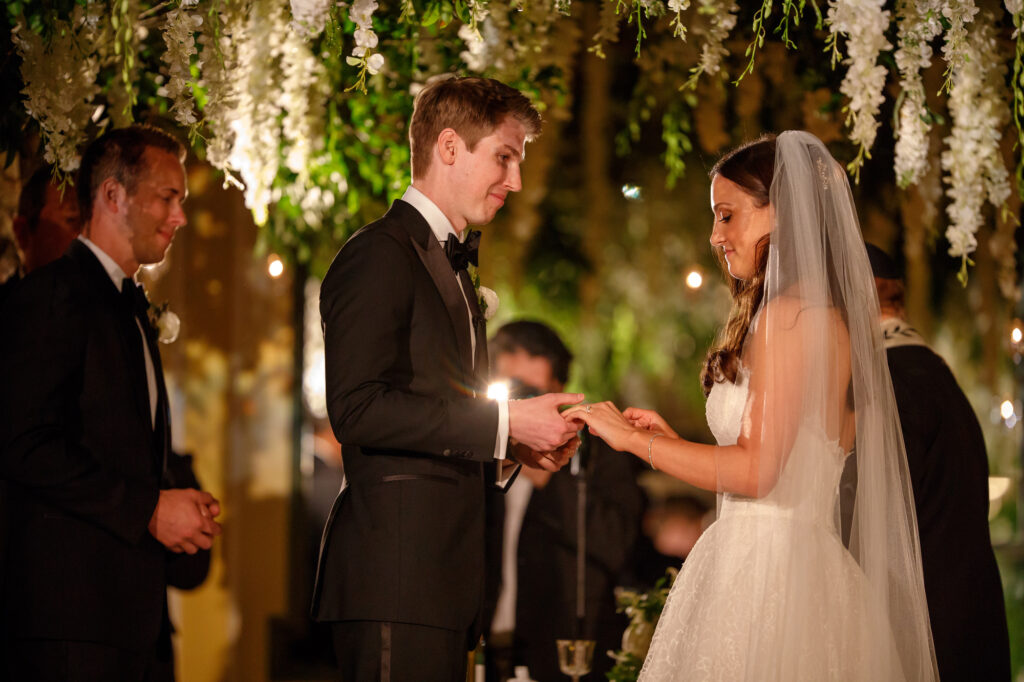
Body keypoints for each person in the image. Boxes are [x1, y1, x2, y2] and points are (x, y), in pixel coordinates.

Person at [565, 132, 938, 681]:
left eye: (726, 215)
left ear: (780, 213)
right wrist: (670, 442)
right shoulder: (828, 317)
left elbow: (758, 471)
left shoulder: (788, 317)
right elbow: (800, 457)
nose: (715, 236)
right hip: (812, 570)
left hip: (766, 573)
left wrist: (632, 441)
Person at [312, 77, 583, 680]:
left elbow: (434, 413)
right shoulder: (379, 254)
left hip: (443, 584)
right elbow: (356, 409)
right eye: (505, 158)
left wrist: (513, 446)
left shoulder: (452, 264)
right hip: (397, 578)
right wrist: (505, 420)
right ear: (451, 146)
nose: (515, 182)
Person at [0, 124, 222, 681]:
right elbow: (23, 444)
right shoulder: (52, 296)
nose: (180, 217)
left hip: (130, 628)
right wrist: (148, 508)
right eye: (168, 198)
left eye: (183, 202)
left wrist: (174, 500)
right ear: (112, 196)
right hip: (69, 629)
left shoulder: (130, 308)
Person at [859, 243, 1010, 681]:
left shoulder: (893, 385)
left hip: (931, 638)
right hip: (973, 621)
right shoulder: (934, 373)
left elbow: (885, 524)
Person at [484, 321, 642, 682]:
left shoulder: (598, 455)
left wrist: (550, 477)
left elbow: (615, 544)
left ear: (558, 392)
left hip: (561, 652)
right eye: (510, 390)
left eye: (530, 393)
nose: (518, 405)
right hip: (481, 646)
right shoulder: (475, 450)